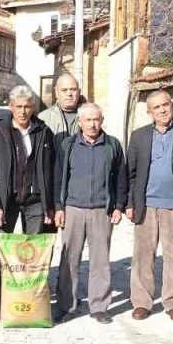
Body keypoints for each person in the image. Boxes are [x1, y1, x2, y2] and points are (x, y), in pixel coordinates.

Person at [125, 90, 173, 322]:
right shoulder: (139, 136)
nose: (162, 110)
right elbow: (131, 173)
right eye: (156, 107)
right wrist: (129, 203)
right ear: (149, 112)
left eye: (165, 105)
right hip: (146, 204)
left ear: (172, 105)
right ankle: (141, 302)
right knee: (142, 256)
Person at [53, 104, 126, 323]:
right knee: (69, 259)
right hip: (73, 209)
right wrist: (59, 207)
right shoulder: (68, 146)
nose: (93, 124)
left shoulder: (112, 145)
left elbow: (120, 178)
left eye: (97, 120)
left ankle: (99, 306)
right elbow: (58, 178)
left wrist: (119, 206)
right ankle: (66, 305)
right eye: (88, 120)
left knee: (101, 260)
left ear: (102, 120)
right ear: (80, 122)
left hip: (101, 211)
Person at [0, 85, 55, 233]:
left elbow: (50, 170)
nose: (23, 112)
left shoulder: (44, 132)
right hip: (7, 199)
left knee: (34, 250)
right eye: (18, 106)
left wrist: (48, 204)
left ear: (33, 107)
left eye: (27, 107)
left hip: (34, 201)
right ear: (11, 107)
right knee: (1, 247)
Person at [39, 73, 86, 147]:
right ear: (56, 93)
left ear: (79, 92)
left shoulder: (90, 116)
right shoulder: (44, 119)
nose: (69, 94)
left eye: (73, 89)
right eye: (64, 90)